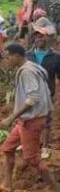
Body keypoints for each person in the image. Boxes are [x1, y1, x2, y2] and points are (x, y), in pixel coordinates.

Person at [0, 43, 59, 192]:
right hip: (25, 120)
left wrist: (11, 117)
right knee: (7, 148)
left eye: (8, 57)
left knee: (32, 158)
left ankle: (57, 191)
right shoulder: (31, 66)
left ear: (16, 56)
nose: (7, 60)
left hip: (32, 120)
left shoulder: (27, 72)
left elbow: (33, 98)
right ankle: (7, 186)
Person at [27, 17, 59, 159]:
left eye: (42, 36)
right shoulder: (28, 55)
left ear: (47, 38)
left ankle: (45, 146)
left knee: (46, 120)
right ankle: (31, 143)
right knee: (29, 118)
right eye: (37, 36)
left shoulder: (55, 57)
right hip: (29, 93)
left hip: (47, 93)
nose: (39, 39)